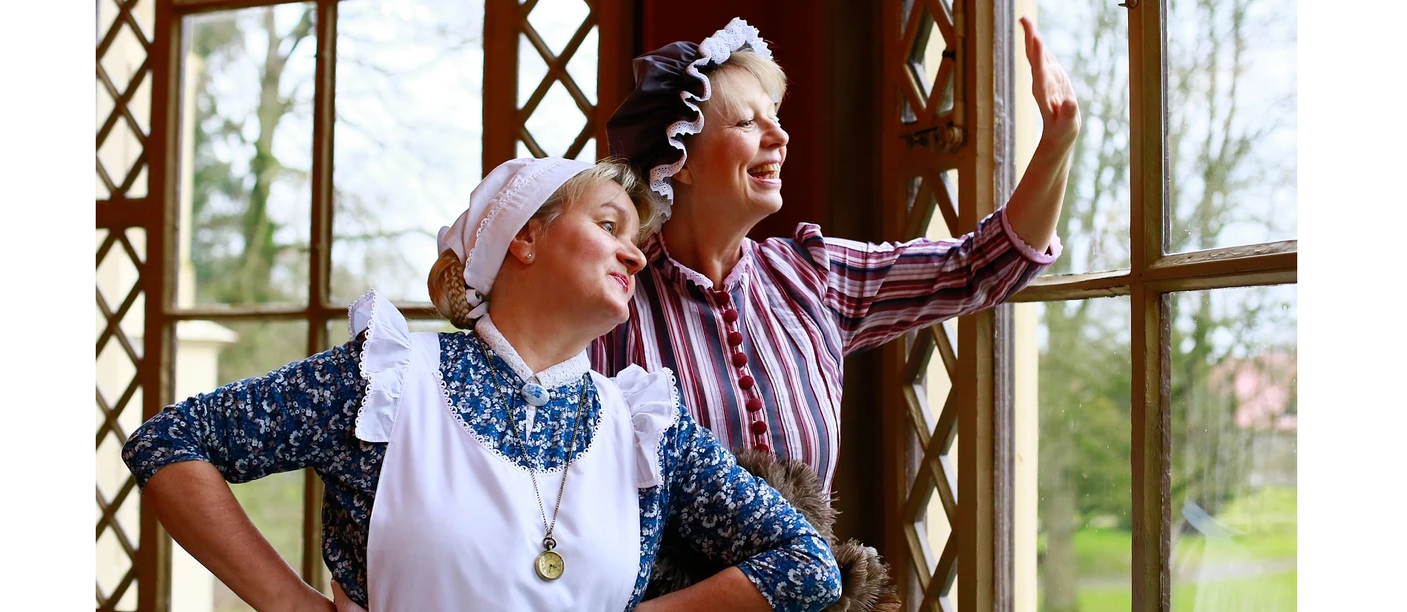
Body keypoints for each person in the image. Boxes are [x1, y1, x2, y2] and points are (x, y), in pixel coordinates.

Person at [122, 157, 842, 611]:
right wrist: (289, 603)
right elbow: (170, 442)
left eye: (637, 238)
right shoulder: (389, 385)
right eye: (609, 222)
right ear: (522, 240)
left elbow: (808, 567)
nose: (635, 252)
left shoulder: (648, 429)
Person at [596, 16, 1079, 494]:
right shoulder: (609, 301)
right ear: (678, 160)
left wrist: (1057, 144)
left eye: (776, 118)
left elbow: (981, 267)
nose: (780, 137)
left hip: (814, 575)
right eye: (747, 122)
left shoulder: (810, 275)